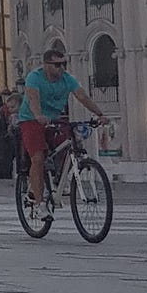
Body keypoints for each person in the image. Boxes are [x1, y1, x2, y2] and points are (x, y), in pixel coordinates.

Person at [21, 48, 106, 214]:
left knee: (71, 146)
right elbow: (33, 97)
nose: (61, 68)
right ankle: (39, 203)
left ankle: (59, 179)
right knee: (38, 158)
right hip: (31, 119)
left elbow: (83, 97)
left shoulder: (68, 79)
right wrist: (38, 115)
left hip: (54, 119)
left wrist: (100, 114)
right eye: (57, 65)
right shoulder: (35, 77)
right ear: (46, 65)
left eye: (64, 64)